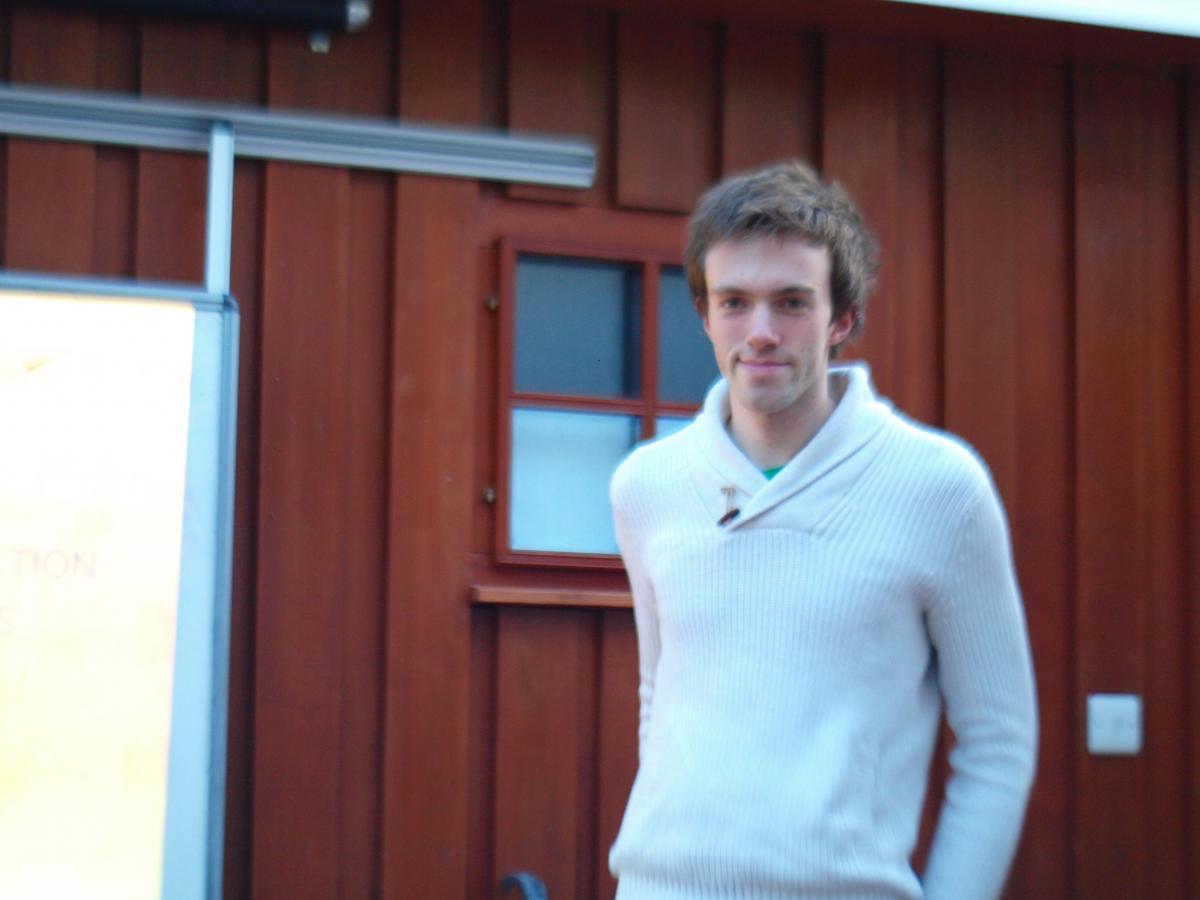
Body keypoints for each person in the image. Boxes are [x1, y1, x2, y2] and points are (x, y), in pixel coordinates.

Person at [607, 161, 1037, 899]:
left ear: (842, 318)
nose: (762, 332)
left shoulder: (939, 488)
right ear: (706, 315)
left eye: (792, 302)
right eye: (735, 302)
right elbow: (662, 696)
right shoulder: (646, 485)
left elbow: (1000, 744)